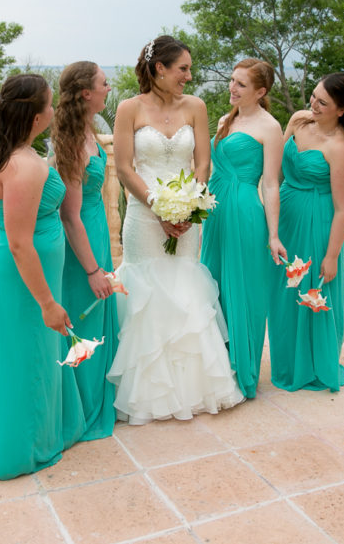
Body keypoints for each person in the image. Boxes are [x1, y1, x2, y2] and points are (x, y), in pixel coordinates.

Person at [108, 35, 244, 423]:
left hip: (187, 219)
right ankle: (147, 395)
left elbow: (203, 163)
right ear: (159, 69)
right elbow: (124, 168)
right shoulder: (129, 109)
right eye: (182, 68)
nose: (189, 75)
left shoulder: (196, 107)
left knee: (185, 288)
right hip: (143, 216)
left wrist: (189, 206)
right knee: (146, 292)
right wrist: (158, 207)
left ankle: (193, 390)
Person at [0, 74, 85, 479]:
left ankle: (24, 436)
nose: (54, 111)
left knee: (15, 356)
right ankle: (21, 448)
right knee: (25, 357)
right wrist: (48, 302)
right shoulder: (25, 166)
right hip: (20, 276)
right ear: (35, 117)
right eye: (50, 105)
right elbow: (20, 243)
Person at [268, 73, 344, 392]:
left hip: (316, 224)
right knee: (282, 290)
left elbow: (343, 209)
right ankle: (285, 359)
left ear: (341, 110)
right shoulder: (298, 121)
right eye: (313, 96)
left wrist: (332, 255)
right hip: (286, 215)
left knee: (307, 290)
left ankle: (310, 364)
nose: (313, 105)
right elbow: (276, 169)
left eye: (323, 102)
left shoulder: (341, 149)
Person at [200, 59, 287, 398]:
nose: (232, 88)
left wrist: (274, 234)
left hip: (244, 211)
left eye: (241, 85)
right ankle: (216, 365)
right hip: (216, 210)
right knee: (213, 285)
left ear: (261, 92)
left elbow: (270, 184)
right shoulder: (226, 119)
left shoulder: (270, 127)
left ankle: (243, 368)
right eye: (232, 81)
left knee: (245, 290)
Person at [53, 61, 118, 440]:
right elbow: (68, 215)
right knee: (86, 323)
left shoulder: (89, 129)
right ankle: (84, 411)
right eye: (103, 84)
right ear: (85, 93)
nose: (109, 88)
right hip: (82, 242)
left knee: (98, 321)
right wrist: (93, 270)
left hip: (97, 231)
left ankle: (98, 401)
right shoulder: (74, 141)